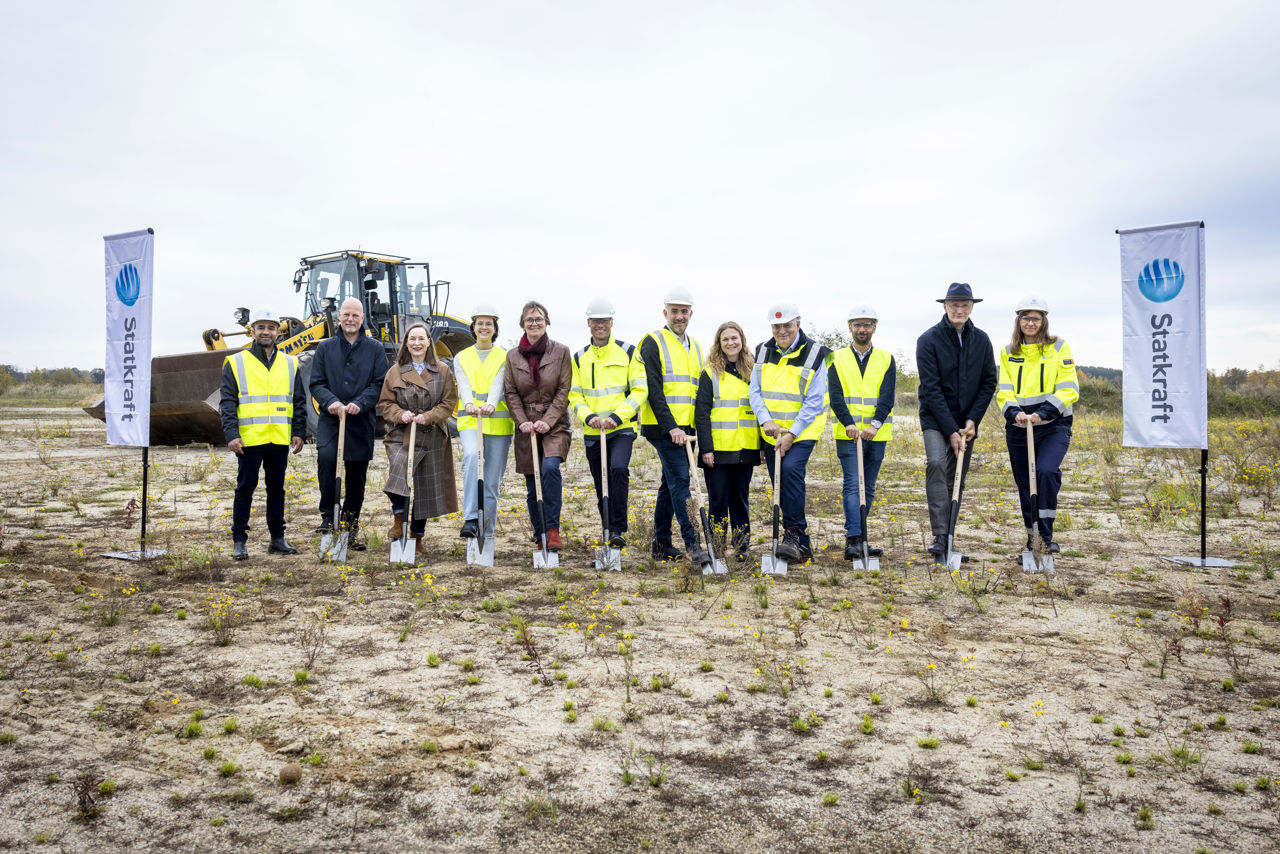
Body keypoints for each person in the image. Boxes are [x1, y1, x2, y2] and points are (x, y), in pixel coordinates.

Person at [916, 282, 998, 559]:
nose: (959, 310)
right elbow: (931, 388)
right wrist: (950, 429)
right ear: (945, 307)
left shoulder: (982, 340)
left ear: (972, 307)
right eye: (954, 305)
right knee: (937, 464)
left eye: (964, 305)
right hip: (935, 419)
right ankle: (939, 536)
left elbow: (989, 383)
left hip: (967, 423)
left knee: (957, 477)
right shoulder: (928, 340)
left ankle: (949, 536)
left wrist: (973, 420)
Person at [219, 307, 306, 560]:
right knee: (245, 489)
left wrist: (298, 431)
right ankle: (239, 540)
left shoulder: (291, 363)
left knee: (277, 490)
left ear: (278, 332)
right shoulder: (235, 362)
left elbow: (298, 400)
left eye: (271, 328)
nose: (266, 332)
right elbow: (227, 402)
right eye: (261, 327)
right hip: (248, 439)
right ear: (253, 331)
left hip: (278, 438)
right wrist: (231, 434)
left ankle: (277, 539)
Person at [749, 302, 831, 563]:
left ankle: (793, 534)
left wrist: (791, 434)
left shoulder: (816, 354)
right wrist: (765, 421)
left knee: (791, 471)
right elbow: (755, 392)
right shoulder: (762, 350)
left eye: (787, 325)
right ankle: (802, 545)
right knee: (779, 483)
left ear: (798, 323)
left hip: (803, 429)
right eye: (776, 326)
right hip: (772, 432)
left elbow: (815, 401)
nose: (782, 331)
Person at [997, 296, 1078, 554]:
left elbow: (1068, 387)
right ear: (1018, 321)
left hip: (1053, 424)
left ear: (1044, 321)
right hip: (1020, 427)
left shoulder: (1059, 347)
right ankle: (1033, 537)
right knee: (1025, 483)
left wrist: (1043, 413)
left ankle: (1046, 533)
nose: (1030, 322)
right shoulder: (1008, 352)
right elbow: (1004, 390)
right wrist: (1014, 413)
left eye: (1036, 317)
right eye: (1025, 317)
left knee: (1044, 472)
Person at [309, 297, 388, 550]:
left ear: (362, 318)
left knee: (356, 477)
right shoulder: (325, 348)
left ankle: (349, 527)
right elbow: (316, 383)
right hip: (332, 421)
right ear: (340, 317)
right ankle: (328, 516)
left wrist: (360, 403)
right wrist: (330, 401)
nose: (350, 319)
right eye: (346, 315)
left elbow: (379, 383)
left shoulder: (375, 349)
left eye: (355, 315)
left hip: (360, 421)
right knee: (327, 459)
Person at [569, 298, 647, 549]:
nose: (600, 325)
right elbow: (575, 394)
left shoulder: (628, 351)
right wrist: (588, 417)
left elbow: (639, 390)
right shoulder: (580, 357)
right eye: (595, 321)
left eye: (604, 320)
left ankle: (618, 528)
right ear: (589, 323)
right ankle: (607, 528)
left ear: (612, 322)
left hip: (621, 429)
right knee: (600, 479)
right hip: (594, 430)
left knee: (617, 469)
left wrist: (617, 417)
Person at [638, 288, 709, 564]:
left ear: (691, 313)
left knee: (669, 485)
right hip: (663, 428)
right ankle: (693, 544)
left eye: (684, 311)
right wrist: (671, 427)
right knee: (681, 480)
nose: (679, 316)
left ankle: (661, 544)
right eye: (674, 311)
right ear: (665, 312)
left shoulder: (696, 346)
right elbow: (654, 390)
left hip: (686, 428)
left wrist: (693, 429)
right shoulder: (653, 342)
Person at [378, 322, 458, 556]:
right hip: (402, 434)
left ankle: (417, 535)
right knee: (399, 471)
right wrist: (400, 414)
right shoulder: (395, 371)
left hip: (431, 434)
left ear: (428, 342)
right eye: (412, 339)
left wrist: (429, 416)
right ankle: (398, 518)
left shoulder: (442, 370)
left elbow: (448, 403)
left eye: (421, 338)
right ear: (406, 343)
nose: (416, 343)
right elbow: (386, 403)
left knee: (425, 487)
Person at [504, 301, 572, 551]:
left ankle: (553, 530)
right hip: (526, 428)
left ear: (547, 322)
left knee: (550, 469)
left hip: (554, 425)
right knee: (533, 483)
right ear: (522, 323)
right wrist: (523, 422)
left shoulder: (561, 352)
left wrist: (548, 420)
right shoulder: (512, 356)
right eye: (529, 319)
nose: (534, 323)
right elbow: (510, 392)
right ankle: (539, 533)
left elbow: (564, 390)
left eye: (539, 318)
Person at [829, 306, 896, 561]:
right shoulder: (834, 358)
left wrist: (875, 425)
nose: (862, 329)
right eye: (858, 324)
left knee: (868, 486)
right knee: (852, 484)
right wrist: (848, 423)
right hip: (848, 434)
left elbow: (887, 396)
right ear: (850, 327)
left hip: (876, 434)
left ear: (874, 328)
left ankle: (861, 535)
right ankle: (854, 539)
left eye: (867, 324)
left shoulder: (887, 359)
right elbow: (835, 396)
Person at [695, 320, 759, 561]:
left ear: (742, 340)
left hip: (746, 447)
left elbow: (760, 409)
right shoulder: (710, 373)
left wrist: (761, 446)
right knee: (719, 499)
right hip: (718, 450)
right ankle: (717, 546)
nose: (731, 343)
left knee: (740, 500)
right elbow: (701, 413)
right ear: (719, 344)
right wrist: (706, 449)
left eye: (735, 338)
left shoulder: (753, 371)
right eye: (725, 339)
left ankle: (742, 545)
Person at [453, 303, 513, 543]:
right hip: (470, 421)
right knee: (470, 457)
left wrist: (491, 402)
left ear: (495, 327)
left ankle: (485, 532)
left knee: (490, 482)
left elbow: (499, 383)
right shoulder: (461, 357)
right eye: (480, 323)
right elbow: (463, 383)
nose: (484, 327)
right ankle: (470, 519)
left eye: (489, 323)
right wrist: (468, 402)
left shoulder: (505, 356)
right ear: (474, 327)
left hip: (497, 423)